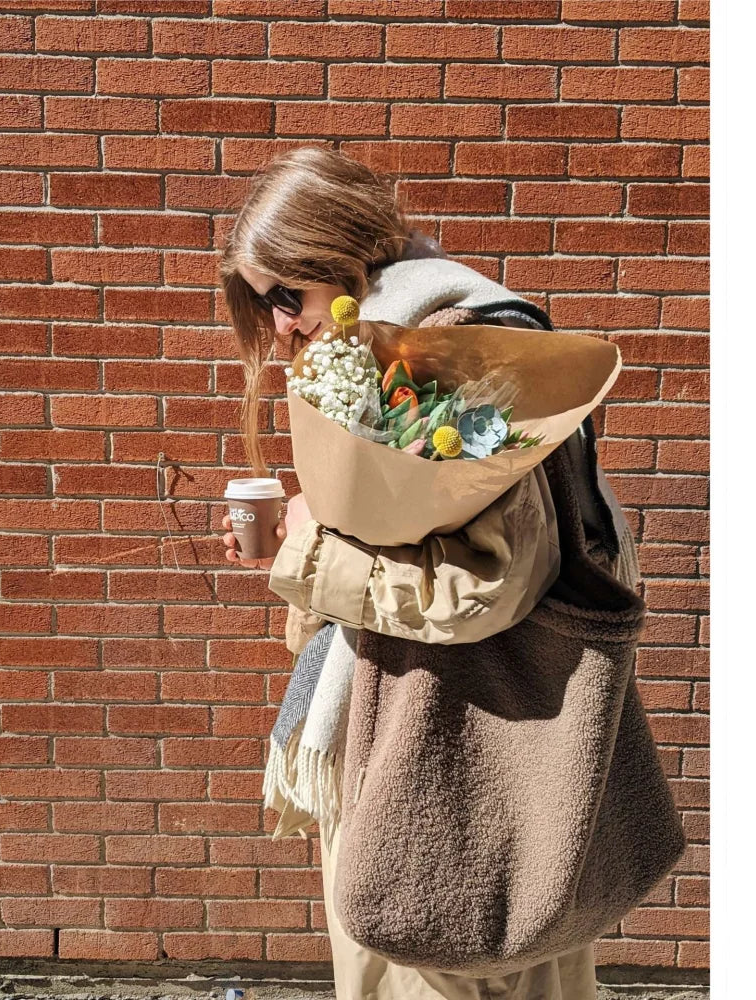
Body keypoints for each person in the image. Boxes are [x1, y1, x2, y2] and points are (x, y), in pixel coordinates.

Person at [217, 147, 635, 1000]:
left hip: (458, 763)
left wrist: (304, 549)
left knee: (452, 974)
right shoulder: (385, 352)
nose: (281, 325)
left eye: (284, 297)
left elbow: (485, 589)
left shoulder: (460, 351)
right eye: (265, 304)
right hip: (410, 740)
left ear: (342, 259)